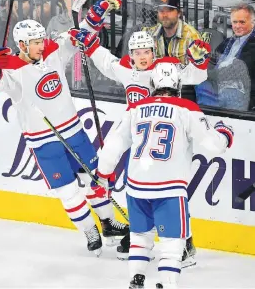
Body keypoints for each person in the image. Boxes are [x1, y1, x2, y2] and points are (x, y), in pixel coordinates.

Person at [0, 0, 129, 256]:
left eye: (41, 40)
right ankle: (89, 231)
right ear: (22, 44)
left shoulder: (53, 51)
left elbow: (80, 34)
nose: (42, 45)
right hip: (42, 140)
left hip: (73, 131)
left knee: (95, 180)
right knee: (68, 192)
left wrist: (99, 12)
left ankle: (108, 223)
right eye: (36, 42)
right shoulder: (11, 70)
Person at [69, 27, 210, 266]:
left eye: (147, 51)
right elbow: (106, 62)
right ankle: (125, 231)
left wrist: (198, 61)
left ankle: (184, 243)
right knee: (128, 185)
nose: (142, 56)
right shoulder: (126, 68)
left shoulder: (164, 69)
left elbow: (195, 76)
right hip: (138, 136)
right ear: (131, 54)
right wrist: (90, 43)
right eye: (137, 52)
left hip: (167, 139)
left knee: (170, 191)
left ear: (154, 52)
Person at [90, 62, 233, 288]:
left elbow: (112, 146)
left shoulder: (135, 108)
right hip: (169, 187)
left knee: (139, 238)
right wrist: (225, 134)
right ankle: (167, 284)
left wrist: (102, 175)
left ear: (153, 84)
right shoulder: (187, 108)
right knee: (172, 245)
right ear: (177, 84)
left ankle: (136, 279)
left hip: (136, 186)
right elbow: (214, 145)